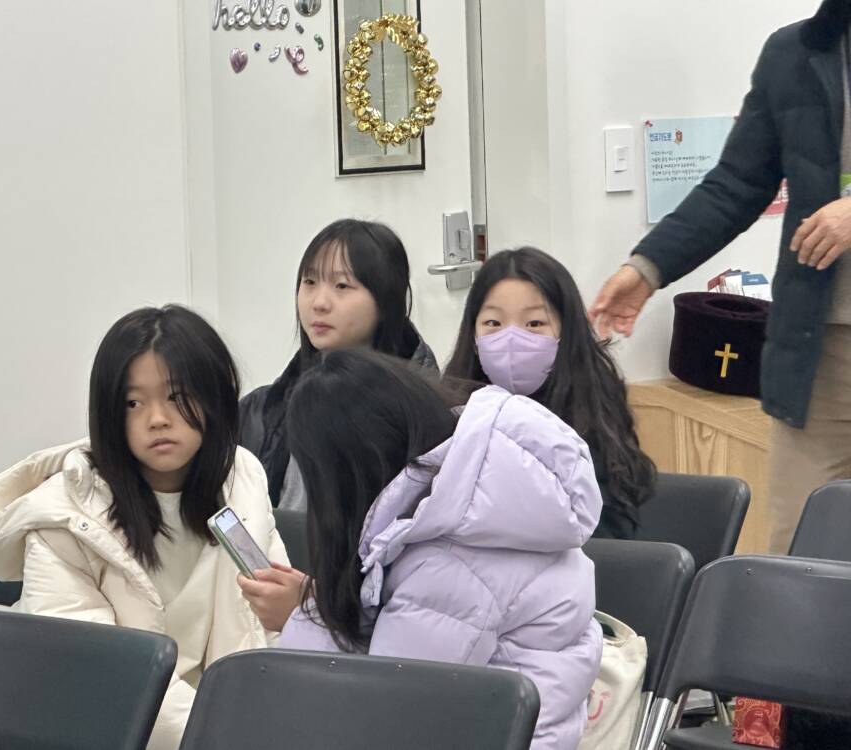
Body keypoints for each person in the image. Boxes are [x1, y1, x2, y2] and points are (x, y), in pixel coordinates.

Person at [0, 305, 288, 750]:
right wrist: (227, 734)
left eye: (177, 396)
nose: (157, 418)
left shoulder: (241, 477)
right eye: (133, 403)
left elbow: (269, 629)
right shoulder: (65, 516)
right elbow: (98, 675)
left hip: (222, 725)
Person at [589, 0, 851, 554]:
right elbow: (736, 184)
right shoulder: (794, 53)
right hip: (817, 353)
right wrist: (648, 267)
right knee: (798, 555)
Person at [278, 349, 603, 750]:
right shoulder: (488, 504)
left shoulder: (447, 561)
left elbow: (394, 717)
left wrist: (309, 618)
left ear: (342, 477)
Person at [444, 247, 655, 539]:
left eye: (535, 324)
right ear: (473, 333)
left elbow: (607, 534)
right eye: (493, 323)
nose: (511, 338)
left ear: (566, 332)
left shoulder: (591, 412)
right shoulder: (453, 410)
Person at [239, 218, 438, 512]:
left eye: (342, 285)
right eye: (309, 282)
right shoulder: (260, 411)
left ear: (386, 299)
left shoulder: (424, 415)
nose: (319, 303)